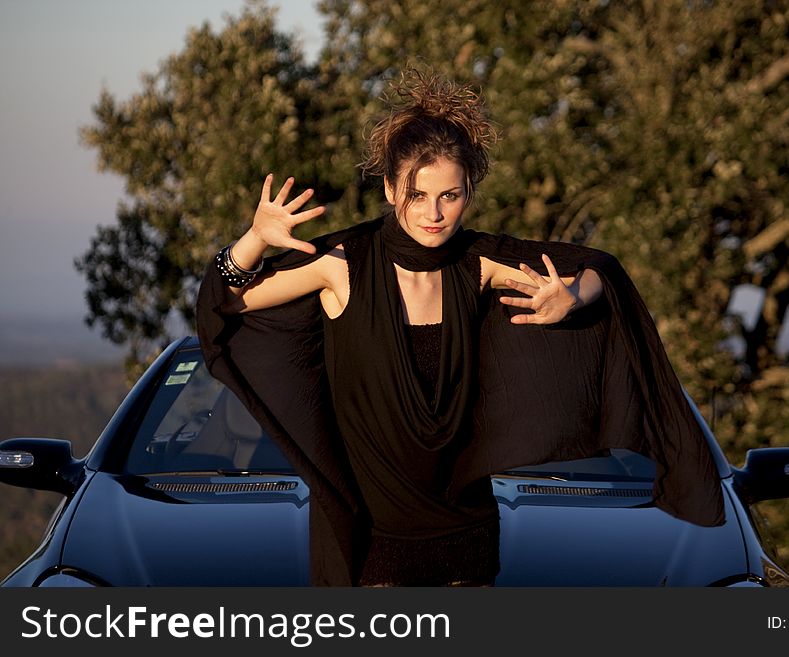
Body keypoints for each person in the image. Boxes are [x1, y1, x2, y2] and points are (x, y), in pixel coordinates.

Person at [196, 68, 724, 587]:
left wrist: (571, 299)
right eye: (418, 195)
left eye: (450, 195)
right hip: (375, 540)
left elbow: (600, 272)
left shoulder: (479, 264)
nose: (434, 213)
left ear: (469, 191)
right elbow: (232, 302)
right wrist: (253, 241)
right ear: (389, 189)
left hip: (466, 536)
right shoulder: (343, 263)